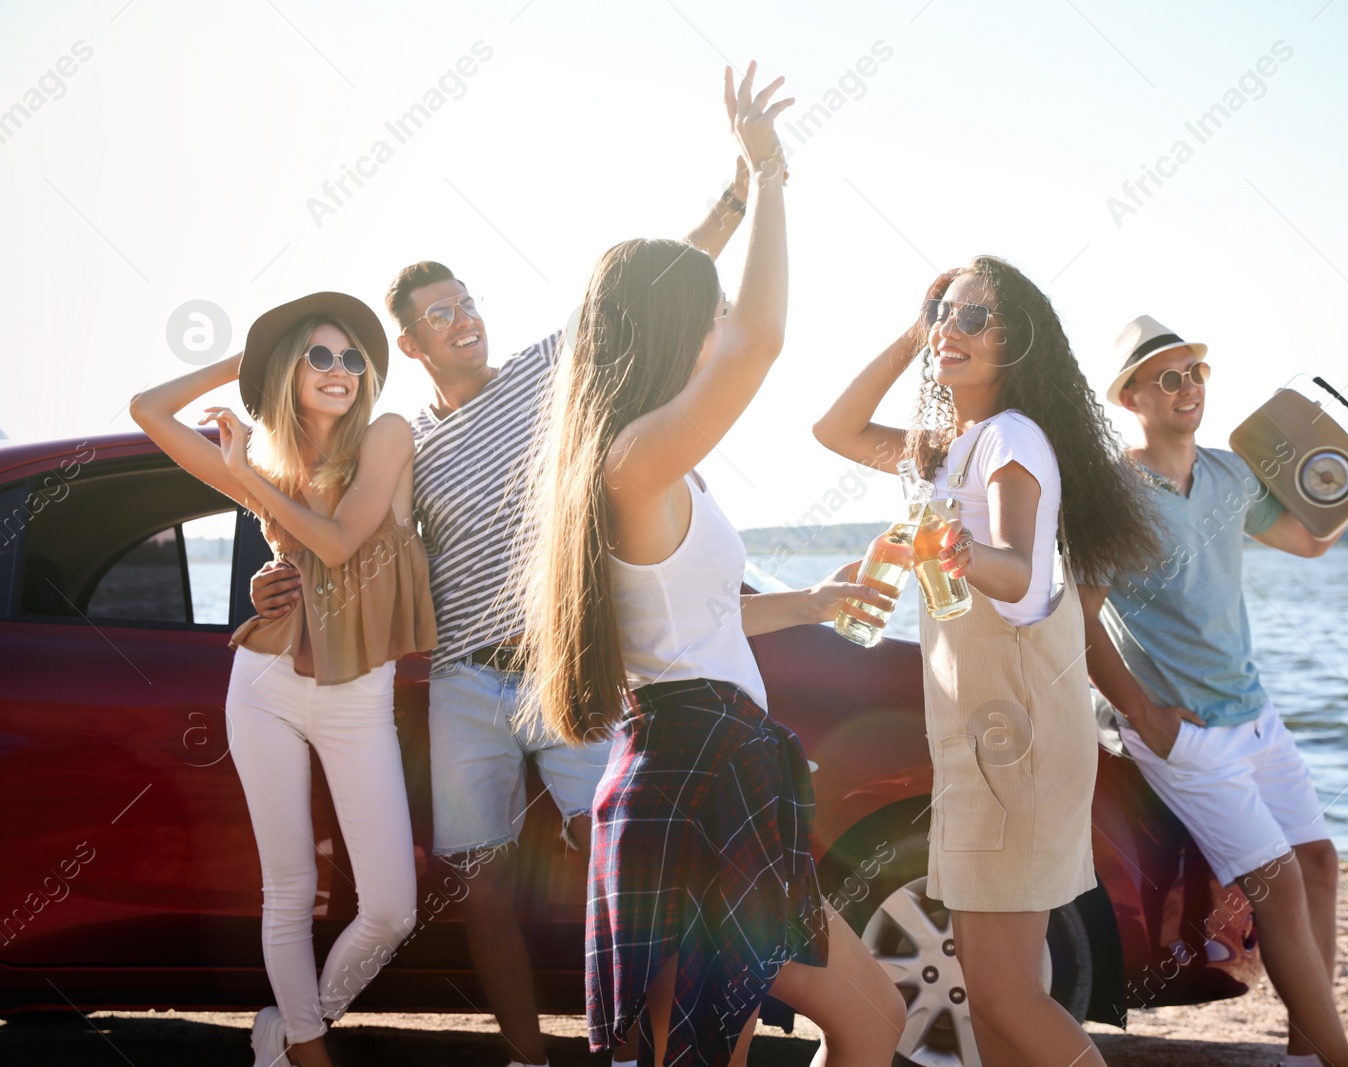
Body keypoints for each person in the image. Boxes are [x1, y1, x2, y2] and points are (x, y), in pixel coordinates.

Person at [247, 123, 755, 1067]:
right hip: (464, 686)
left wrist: (734, 200)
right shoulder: (403, 444)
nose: (465, 320)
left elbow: (641, 293)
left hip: (563, 669)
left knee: (629, 871)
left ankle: (657, 1053)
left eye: (468, 302)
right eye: (441, 315)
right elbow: (352, 542)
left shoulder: (541, 372)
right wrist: (277, 568)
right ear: (410, 341)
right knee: (481, 888)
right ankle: (526, 1057)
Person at [512, 63, 905, 1067]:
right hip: (698, 773)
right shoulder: (636, 458)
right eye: (709, 311)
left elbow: (695, 619)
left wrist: (817, 598)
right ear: (674, 328)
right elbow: (762, 340)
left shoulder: (629, 458)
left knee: (783, 1038)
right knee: (814, 1031)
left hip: (695, 764)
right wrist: (771, 179)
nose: (723, 324)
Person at [814, 258, 1161, 1067]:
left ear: (1019, 344)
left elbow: (1022, 570)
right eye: (946, 314)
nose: (951, 331)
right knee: (996, 989)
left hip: (1019, 740)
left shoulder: (1011, 437)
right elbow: (834, 429)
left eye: (974, 319)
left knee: (1004, 994)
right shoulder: (949, 449)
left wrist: (960, 550)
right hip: (989, 739)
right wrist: (915, 328)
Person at [1081, 315, 1348, 1067]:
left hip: (1253, 713)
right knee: (1279, 882)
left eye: (1196, 372)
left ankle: (1303, 1055)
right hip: (1182, 731)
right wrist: (1145, 714)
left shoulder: (1230, 474)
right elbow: (1081, 618)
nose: (1188, 386)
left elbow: (1310, 538)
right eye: (1169, 376)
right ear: (1132, 398)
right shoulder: (1110, 494)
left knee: (1318, 860)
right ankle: (1342, 1059)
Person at [131, 293, 437, 1067]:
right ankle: (306, 1050)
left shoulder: (387, 436)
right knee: (289, 886)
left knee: (392, 906)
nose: (341, 371)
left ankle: (296, 1021)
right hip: (266, 679)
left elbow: (336, 545)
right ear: (291, 370)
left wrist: (249, 482)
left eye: (352, 358)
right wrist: (254, 357)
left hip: (358, 694)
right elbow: (148, 408)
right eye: (319, 356)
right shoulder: (264, 459)